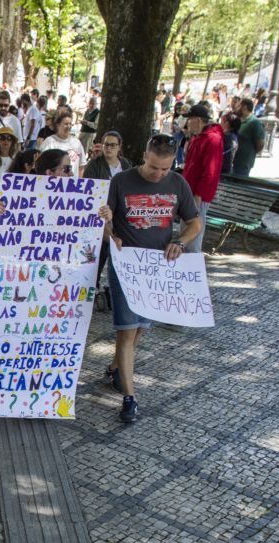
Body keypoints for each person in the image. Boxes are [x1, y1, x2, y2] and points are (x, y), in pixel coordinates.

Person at [101, 134, 201, 423]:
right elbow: (106, 221)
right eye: (154, 167)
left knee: (140, 329)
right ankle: (129, 397)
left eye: (165, 169)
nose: (159, 174)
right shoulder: (121, 181)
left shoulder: (178, 183)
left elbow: (195, 223)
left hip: (157, 268)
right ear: (145, 155)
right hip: (127, 265)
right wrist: (112, 233)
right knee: (127, 330)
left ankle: (115, 369)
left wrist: (180, 242)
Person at [181, 104, 224, 253]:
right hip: (188, 191)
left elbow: (210, 172)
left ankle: (193, 267)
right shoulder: (198, 138)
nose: (188, 123)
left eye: (190, 119)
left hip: (197, 195)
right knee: (184, 232)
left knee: (193, 235)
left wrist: (199, 195)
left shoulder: (212, 139)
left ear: (198, 120)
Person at [40, 111, 87, 176]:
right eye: (66, 124)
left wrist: (79, 181)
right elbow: (42, 164)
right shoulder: (49, 142)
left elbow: (81, 166)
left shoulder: (77, 143)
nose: (69, 126)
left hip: (72, 183)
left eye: (70, 124)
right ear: (58, 125)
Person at [231, 99, 265, 177]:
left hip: (243, 162)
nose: (236, 107)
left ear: (244, 107)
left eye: (238, 105)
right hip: (232, 160)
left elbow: (260, 143)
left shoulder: (254, 123)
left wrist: (249, 153)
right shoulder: (238, 120)